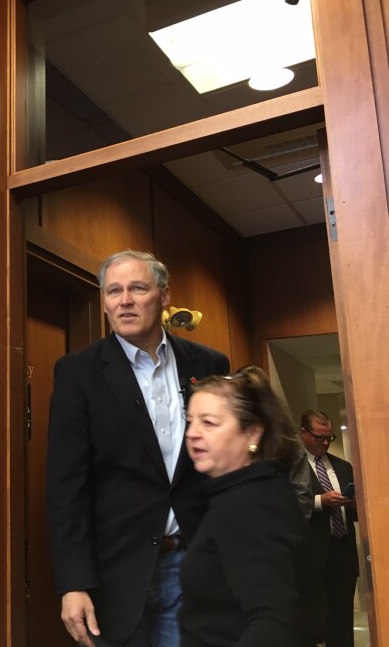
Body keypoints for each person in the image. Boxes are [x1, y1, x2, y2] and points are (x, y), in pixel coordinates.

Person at [46, 250, 229, 646]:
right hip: (115, 577)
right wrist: (73, 582)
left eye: (138, 289)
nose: (124, 301)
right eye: (114, 291)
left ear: (164, 296)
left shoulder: (209, 365)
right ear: (104, 302)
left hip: (196, 565)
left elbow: (225, 468)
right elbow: (65, 487)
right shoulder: (78, 372)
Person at [179, 366, 309, 646]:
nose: (192, 433)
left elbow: (274, 621)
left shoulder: (253, 502)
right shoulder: (236, 492)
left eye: (209, 423)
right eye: (190, 421)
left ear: (252, 434)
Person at [300, 409, 358, 647]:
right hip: (312, 556)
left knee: (342, 621)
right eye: (319, 437)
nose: (325, 442)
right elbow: (287, 506)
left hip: (343, 553)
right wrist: (320, 502)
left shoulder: (343, 467)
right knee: (315, 624)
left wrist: (354, 504)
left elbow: (357, 514)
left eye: (329, 437)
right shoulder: (292, 467)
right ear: (304, 433)